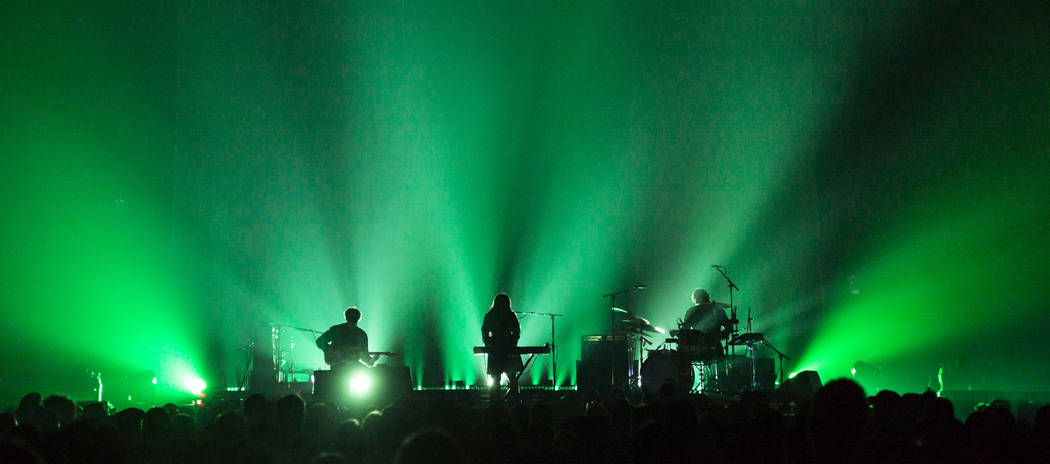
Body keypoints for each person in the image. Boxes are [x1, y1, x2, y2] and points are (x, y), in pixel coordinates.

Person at [482, 293, 523, 399]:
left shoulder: (490, 315)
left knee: (496, 379)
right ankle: (514, 402)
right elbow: (517, 332)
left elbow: (485, 332)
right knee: (512, 378)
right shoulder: (511, 315)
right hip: (508, 350)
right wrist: (512, 343)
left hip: (495, 350)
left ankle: (495, 404)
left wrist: (489, 343)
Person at [679, 288, 730, 359]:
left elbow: (685, 331)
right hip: (715, 345)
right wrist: (720, 336)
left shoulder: (691, 311)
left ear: (695, 298)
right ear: (707, 297)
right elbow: (728, 327)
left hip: (696, 348)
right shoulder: (717, 309)